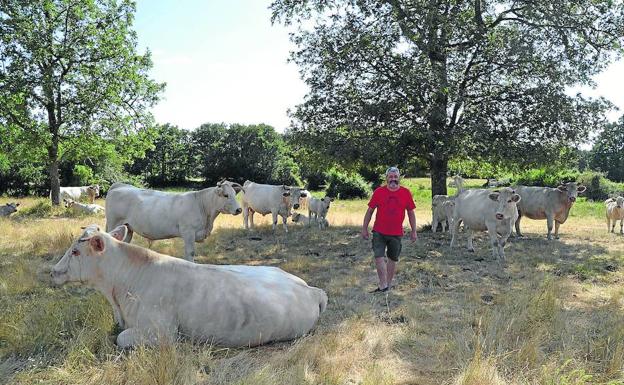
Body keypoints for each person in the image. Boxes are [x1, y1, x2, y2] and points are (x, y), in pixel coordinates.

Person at [361, 166, 417, 293]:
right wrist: (364, 228)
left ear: (399, 178)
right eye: (390, 177)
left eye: (395, 177)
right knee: (379, 257)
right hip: (379, 231)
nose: (393, 179)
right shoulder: (379, 192)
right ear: (386, 178)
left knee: (392, 259)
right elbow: (370, 211)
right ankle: (383, 284)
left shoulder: (405, 193)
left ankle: (387, 285)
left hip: (396, 233)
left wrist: (414, 231)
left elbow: (411, 213)